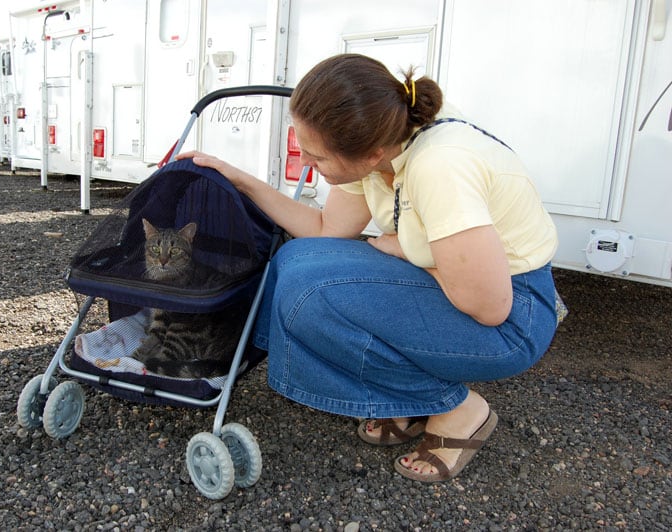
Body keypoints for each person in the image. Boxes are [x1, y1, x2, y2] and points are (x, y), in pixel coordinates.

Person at [177, 53, 559, 482]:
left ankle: (456, 409)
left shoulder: (439, 166)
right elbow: (325, 229)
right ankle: (407, 401)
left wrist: (406, 249)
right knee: (295, 261)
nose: (306, 165)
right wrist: (240, 179)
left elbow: (489, 306)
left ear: (370, 152)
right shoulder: (381, 137)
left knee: (312, 299)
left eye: (317, 159)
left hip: (512, 318)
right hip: (469, 291)